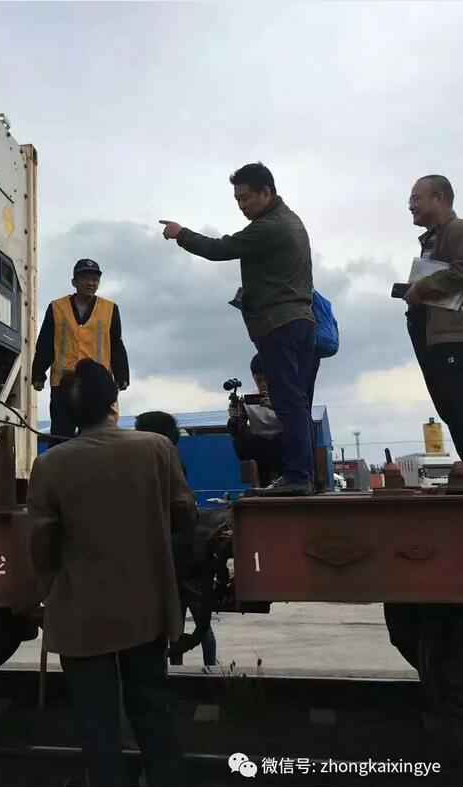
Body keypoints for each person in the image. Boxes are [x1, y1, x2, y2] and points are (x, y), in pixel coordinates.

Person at [28, 360, 195, 786]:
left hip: (81, 615)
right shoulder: (157, 449)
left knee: (96, 723)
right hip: (147, 607)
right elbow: (184, 515)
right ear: (114, 404)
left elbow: (42, 544)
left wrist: (49, 590)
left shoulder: (50, 465)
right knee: (153, 710)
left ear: (69, 411)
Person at [160, 162, 315, 495]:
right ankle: (298, 473)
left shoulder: (270, 227)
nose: (241, 206)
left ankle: (297, 476)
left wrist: (180, 234)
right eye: (237, 200)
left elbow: (220, 249)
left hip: (280, 324)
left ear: (266, 192)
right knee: (294, 401)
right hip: (295, 321)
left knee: (288, 402)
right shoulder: (287, 221)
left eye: (245, 198)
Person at [134, 411, 217, 669]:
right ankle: (204, 669)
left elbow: (180, 507)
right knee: (194, 620)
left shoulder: (161, 458)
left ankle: (184, 670)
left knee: (183, 621)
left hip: (177, 553)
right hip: (184, 552)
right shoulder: (168, 456)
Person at [31, 259, 129, 441]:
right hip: (64, 382)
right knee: (61, 436)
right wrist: (38, 374)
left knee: (99, 436)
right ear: (74, 282)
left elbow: (116, 344)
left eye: (95, 279)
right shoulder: (56, 307)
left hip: (97, 383)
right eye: (85, 278)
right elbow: (45, 343)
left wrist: (122, 376)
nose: (91, 283)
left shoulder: (110, 309)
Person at [404, 175, 463, 458]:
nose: (410, 205)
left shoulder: (457, 230)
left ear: (439, 198)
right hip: (435, 339)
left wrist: (421, 288)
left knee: (457, 406)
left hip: (453, 339)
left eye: (416, 198)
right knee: (450, 408)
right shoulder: (433, 239)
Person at [227, 354, 284, 488]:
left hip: (284, 448)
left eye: (267, 380)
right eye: (259, 380)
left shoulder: (287, 396)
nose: (263, 384)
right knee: (239, 437)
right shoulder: (248, 400)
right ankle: (260, 480)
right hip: (260, 450)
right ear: (253, 378)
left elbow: (299, 423)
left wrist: (277, 407)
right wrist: (235, 417)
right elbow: (236, 431)